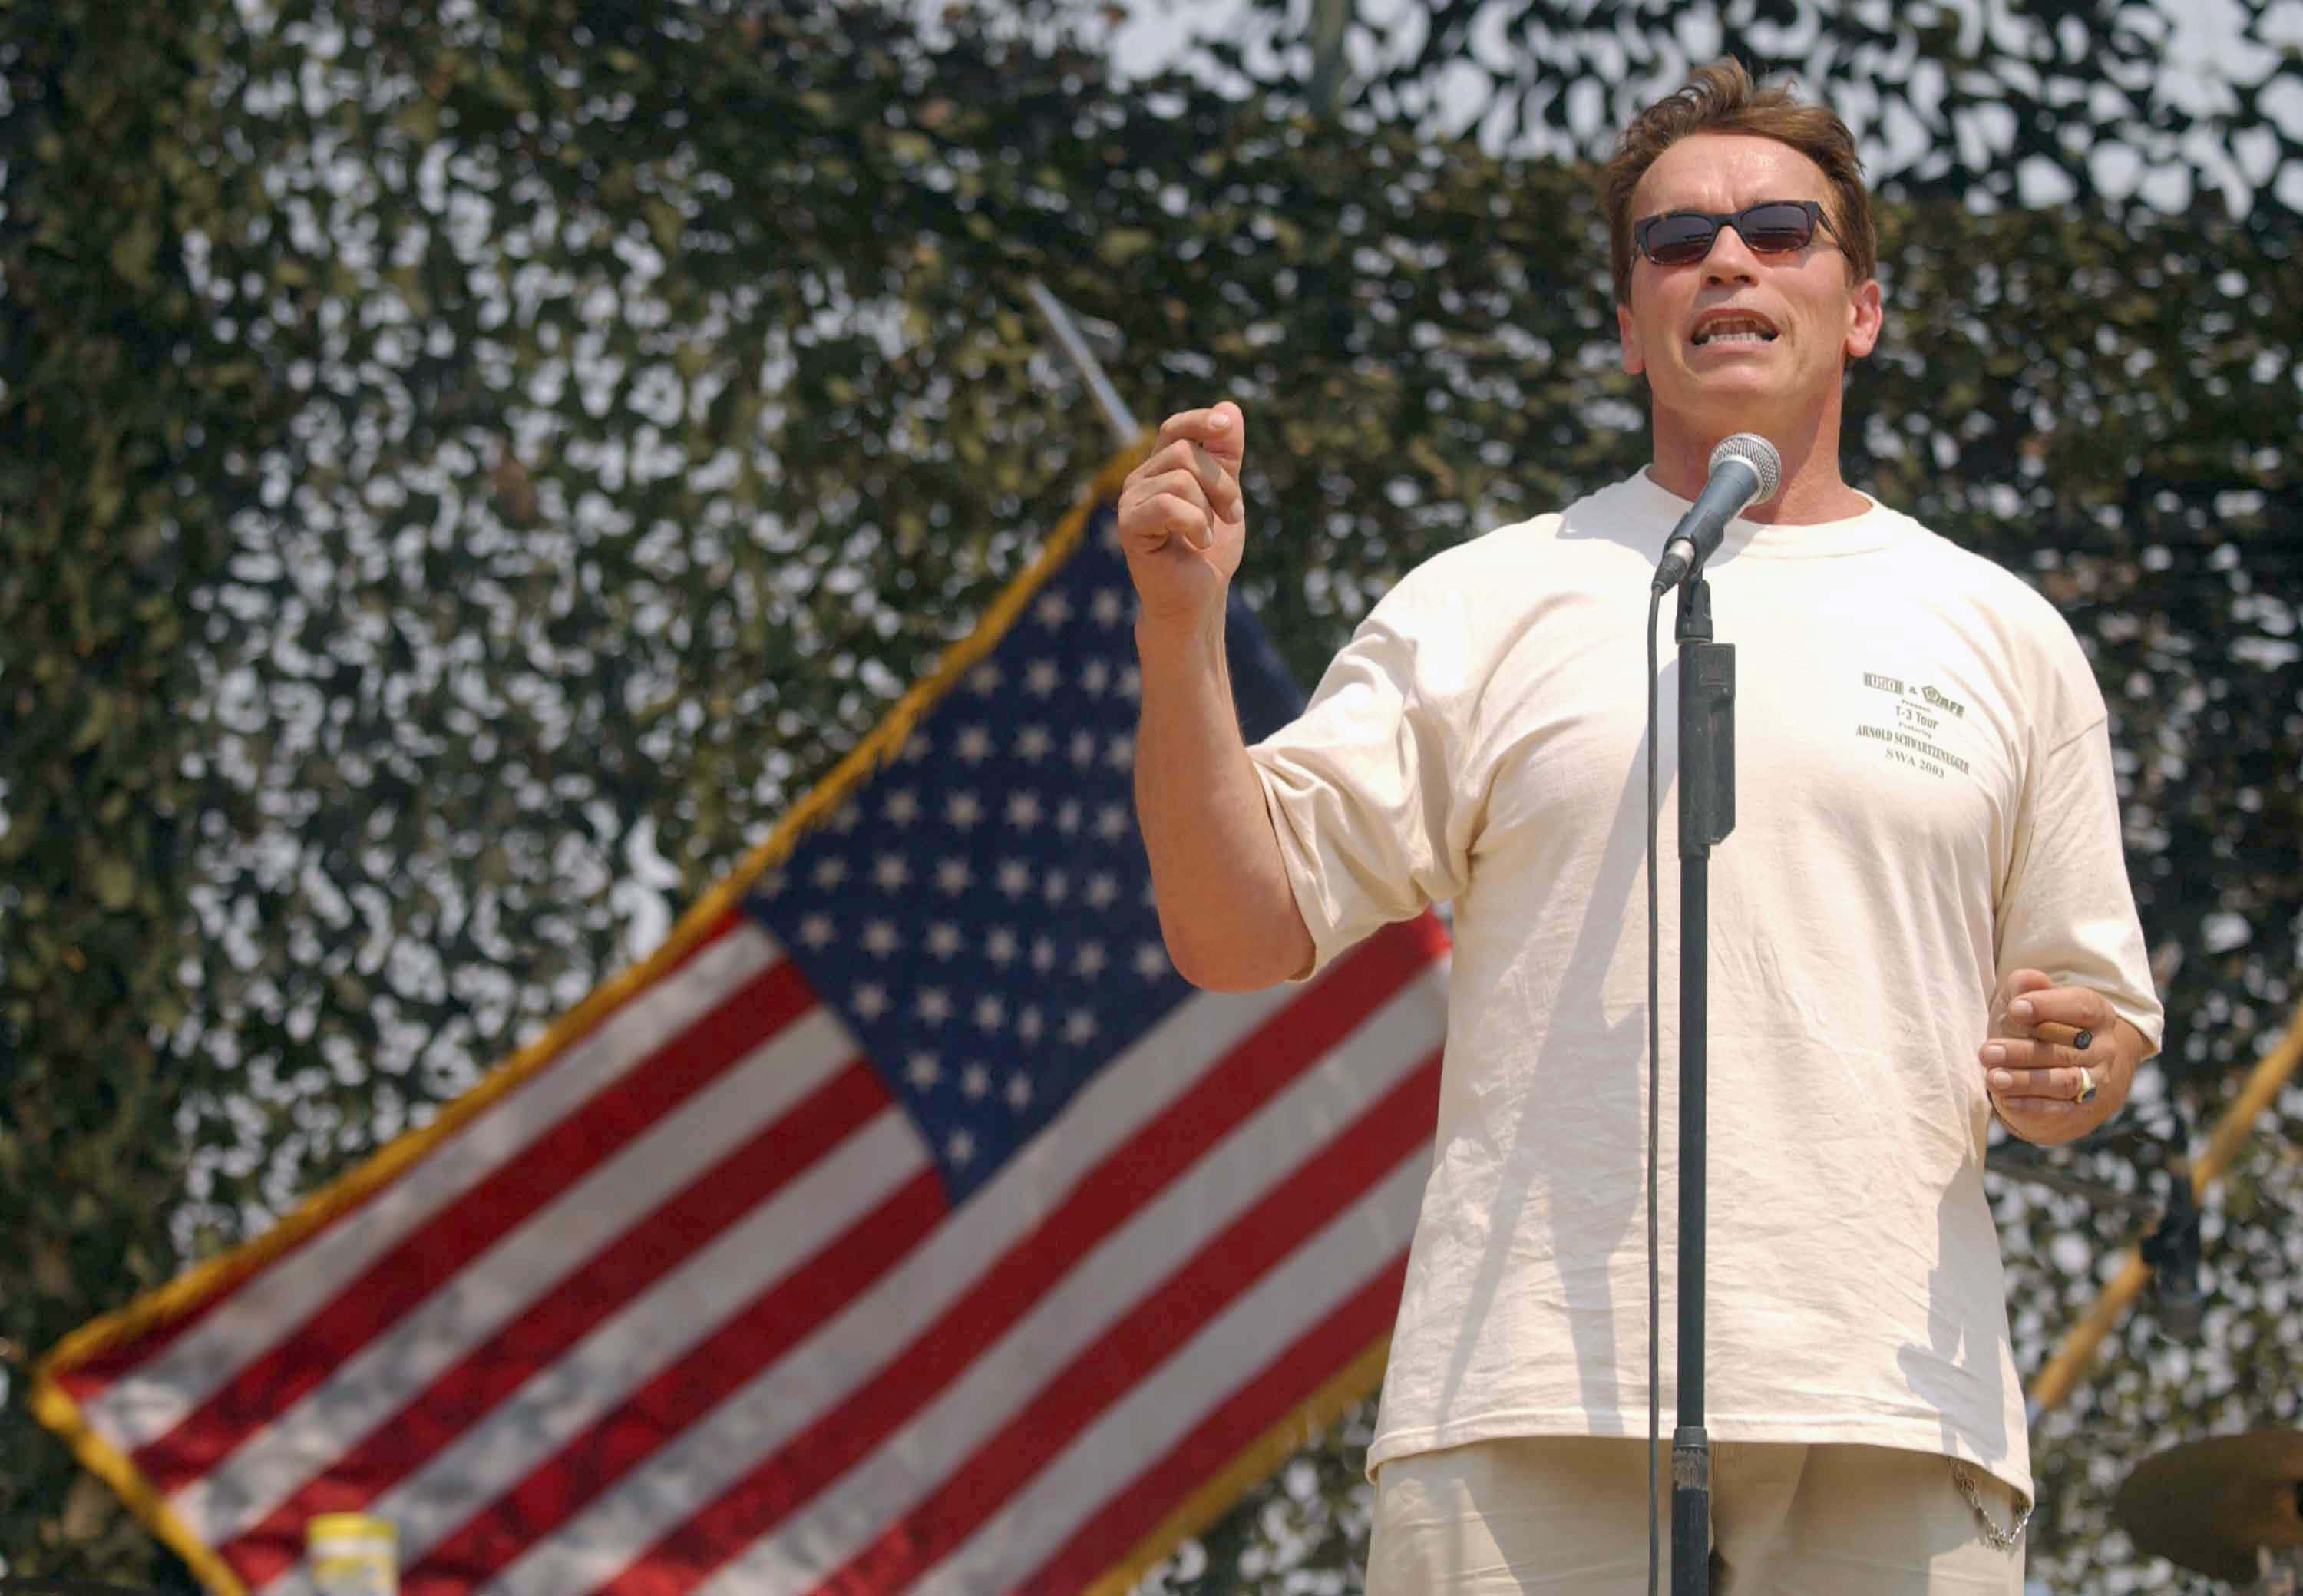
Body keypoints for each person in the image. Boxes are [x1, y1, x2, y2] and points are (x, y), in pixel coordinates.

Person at [1118, 56, 2164, 1596]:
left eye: (1780, 230)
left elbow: (2092, 1021)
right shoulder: (1490, 598)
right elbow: (1234, 926)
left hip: (1884, 1400)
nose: (1726, 260)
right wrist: (1179, 630)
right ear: (1628, 325)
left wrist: (2078, 1062)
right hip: (1529, 1398)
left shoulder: (1999, 633)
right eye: (1676, 243)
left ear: (1860, 306)